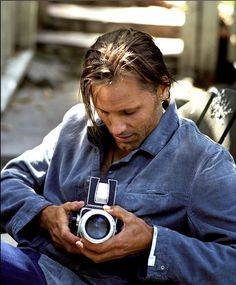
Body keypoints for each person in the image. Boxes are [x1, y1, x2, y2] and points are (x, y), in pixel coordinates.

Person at [1, 28, 236, 285]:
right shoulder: (75, 125)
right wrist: (44, 214)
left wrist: (152, 241)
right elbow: (9, 181)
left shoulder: (204, 163)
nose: (116, 128)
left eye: (129, 112)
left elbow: (230, 263)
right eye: (105, 112)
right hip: (40, 268)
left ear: (163, 89)